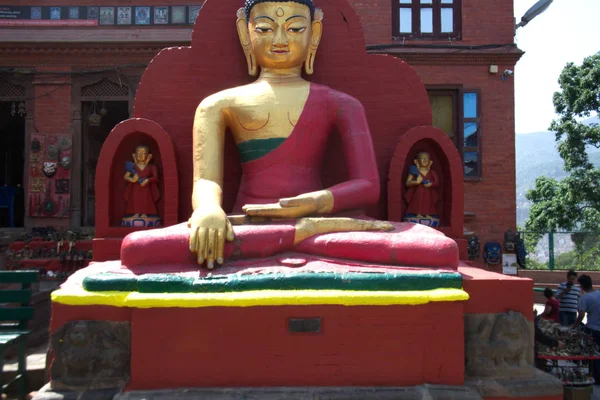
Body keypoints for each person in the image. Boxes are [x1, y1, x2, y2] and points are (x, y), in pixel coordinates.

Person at [573, 274, 600, 382]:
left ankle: (597, 377)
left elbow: (581, 315)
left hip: (593, 329)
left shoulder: (584, 298)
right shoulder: (599, 293)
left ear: (582, 285)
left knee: (595, 353)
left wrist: (574, 325)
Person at [123, 145, 160, 218]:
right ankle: (136, 213)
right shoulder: (133, 167)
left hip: (146, 188)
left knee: (146, 200)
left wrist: (148, 180)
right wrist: (132, 179)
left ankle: (144, 213)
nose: (140, 155)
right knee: (135, 199)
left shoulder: (152, 167)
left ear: (149, 156)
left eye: (143, 153)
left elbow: (155, 177)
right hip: (136, 187)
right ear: (134, 155)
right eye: (138, 152)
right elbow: (126, 176)